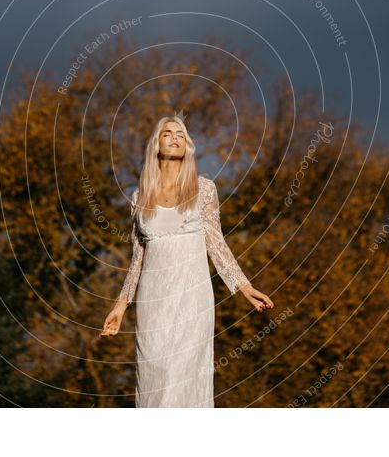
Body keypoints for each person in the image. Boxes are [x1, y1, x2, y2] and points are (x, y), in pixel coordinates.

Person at [101, 114, 273, 407]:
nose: (175, 138)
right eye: (168, 133)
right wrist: (120, 307)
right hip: (153, 299)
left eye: (181, 134)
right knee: (154, 372)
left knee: (184, 373)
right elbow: (137, 258)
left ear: (187, 146)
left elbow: (217, 244)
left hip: (192, 297)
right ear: (156, 143)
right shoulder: (139, 196)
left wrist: (245, 287)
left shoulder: (203, 189)